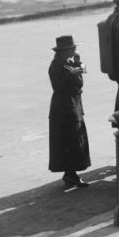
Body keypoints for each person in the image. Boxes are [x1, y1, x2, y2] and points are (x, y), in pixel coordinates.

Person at [48, 35, 91, 189]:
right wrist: (70, 74)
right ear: (64, 51)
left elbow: (79, 84)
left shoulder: (68, 62)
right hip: (64, 109)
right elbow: (58, 88)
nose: (75, 50)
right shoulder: (56, 66)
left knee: (74, 141)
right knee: (69, 141)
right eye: (73, 48)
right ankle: (70, 174)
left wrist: (78, 65)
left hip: (73, 106)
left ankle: (71, 174)